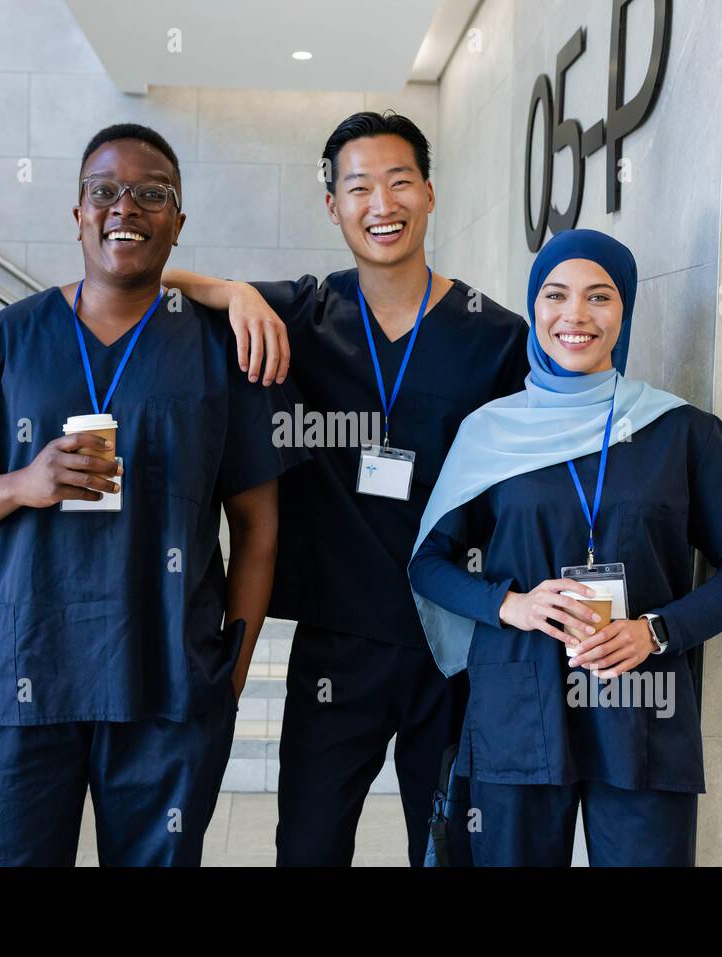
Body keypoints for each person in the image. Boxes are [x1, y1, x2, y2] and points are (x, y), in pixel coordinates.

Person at [0, 123, 306, 866]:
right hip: (25, 671)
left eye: (151, 192)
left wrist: (231, 668)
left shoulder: (219, 347)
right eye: (104, 190)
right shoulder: (7, 340)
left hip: (167, 679)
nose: (125, 206)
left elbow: (257, 523)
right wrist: (27, 483)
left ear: (178, 221)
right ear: (78, 213)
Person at [163, 111, 530, 866]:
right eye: (357, 186)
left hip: (454, 643)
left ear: (429, 193)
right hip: (339, 644)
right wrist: (234, 292)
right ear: (332, 205)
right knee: (307, 846)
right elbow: (151, 278)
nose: (380, 204)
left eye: (399, 182)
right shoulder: (305, 312)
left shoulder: (495, 335)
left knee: (452, 848)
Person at [408, 228, 722, 866]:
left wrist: (657, 631)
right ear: (535, 309)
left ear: (625, 311)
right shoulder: (489, 431)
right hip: (518, 704)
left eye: (600, 297)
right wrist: (513, 606)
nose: (575, 316)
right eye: (555, 295)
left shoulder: (678, 429)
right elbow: (428, 565)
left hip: (640, 705)